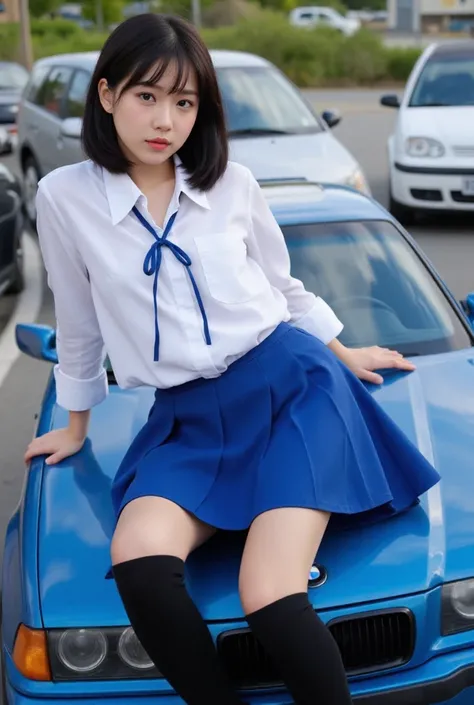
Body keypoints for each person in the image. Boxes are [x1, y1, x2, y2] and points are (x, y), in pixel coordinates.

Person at [24, 13, 440, 705]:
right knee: (138, 562)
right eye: (147, 96)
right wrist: (76, 424)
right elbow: (79, 322)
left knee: (269, 592)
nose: (166, 119)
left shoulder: (231, 184)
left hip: (290, 391)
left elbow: (283, 288)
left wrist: (340, 350)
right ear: (106, 95)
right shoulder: (66, 199)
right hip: (186, 420)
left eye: (184, 102)